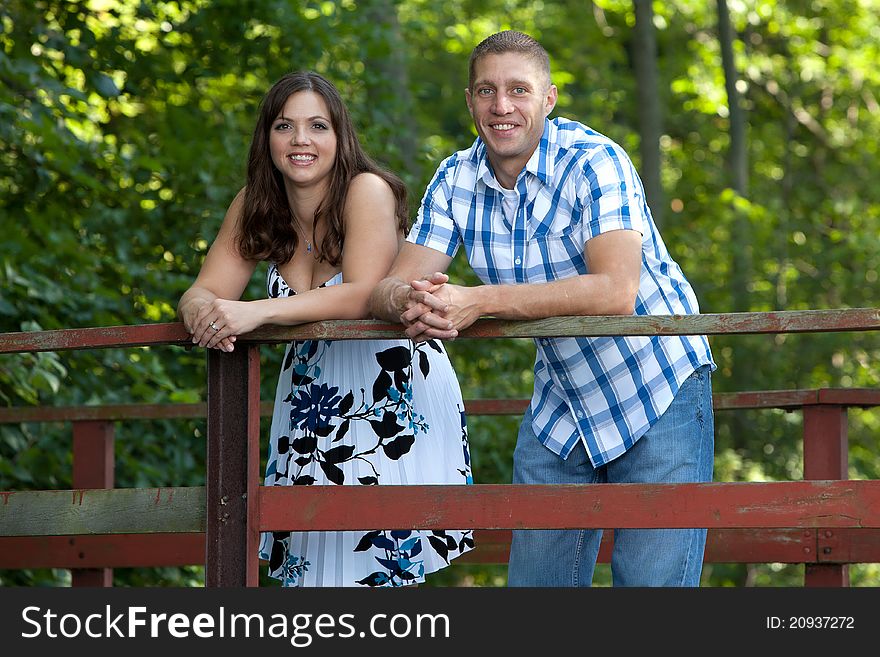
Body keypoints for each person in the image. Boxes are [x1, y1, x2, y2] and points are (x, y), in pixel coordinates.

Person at [370, 30, 715, 587]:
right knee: (537, 590)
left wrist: (476, 301)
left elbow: (614, 291)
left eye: (518, 90)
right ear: (470, 101)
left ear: (548, 99)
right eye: (486, 91)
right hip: (564, 395)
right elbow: (394, 284)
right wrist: (412, 302)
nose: (501, 106)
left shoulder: (595, 161)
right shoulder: (456, 177)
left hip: (657, 383)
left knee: (653, 593)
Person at [178, 71, 474, 587]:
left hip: (390, 396)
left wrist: (256, 311)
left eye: (317, 126)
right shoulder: (255, 205)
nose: (300, 140)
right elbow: (202, 290)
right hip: (311, 402)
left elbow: (363, 293)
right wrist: (204, 313)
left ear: (340, 137)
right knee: (316, 570)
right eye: (284, 126)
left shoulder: (366, 190)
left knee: (378, 568)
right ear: (266, 137)